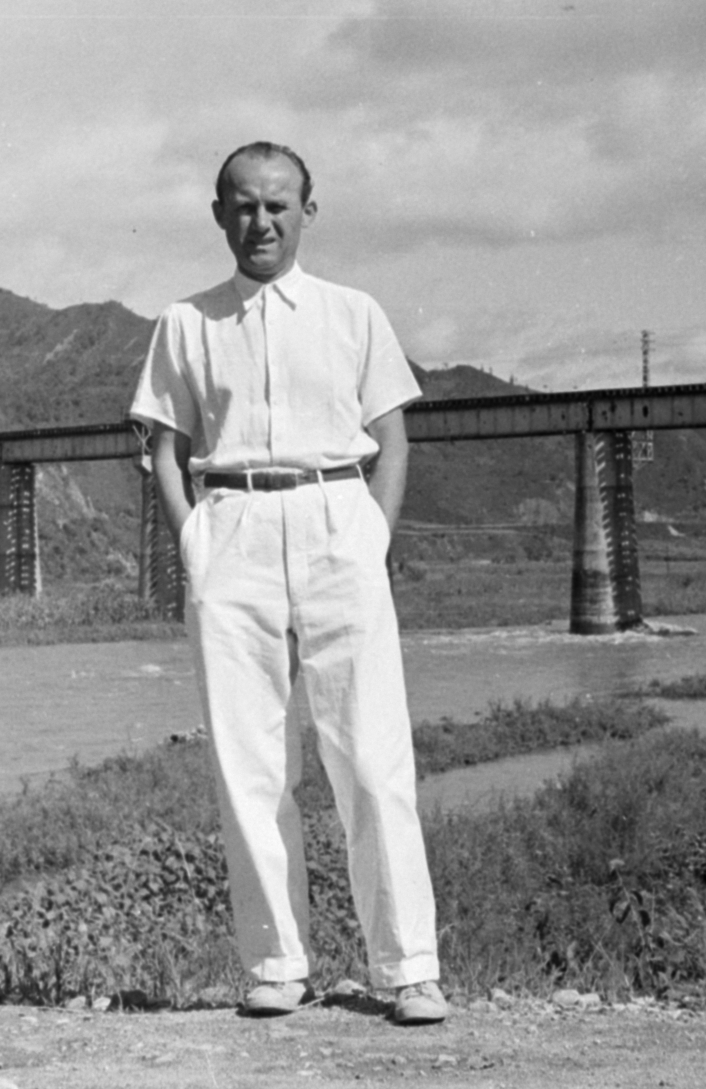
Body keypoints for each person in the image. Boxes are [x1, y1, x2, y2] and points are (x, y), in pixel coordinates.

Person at [128, 142, 445, 1026]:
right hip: (231, 527)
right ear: (218, 214)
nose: (260, 221)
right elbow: (164, 446)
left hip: (336, 520)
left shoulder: (354, 313)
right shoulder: (185, 322)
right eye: (243, 205)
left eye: (277, 205)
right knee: (252, 763)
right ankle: (276, 963)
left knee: (372, 757)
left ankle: (409, 967)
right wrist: (195, 539)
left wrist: (372, 533)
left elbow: (393, 436)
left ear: (308, 211)